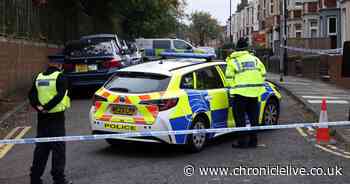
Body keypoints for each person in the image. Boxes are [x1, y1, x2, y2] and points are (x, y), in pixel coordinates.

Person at [28, 58, 72, 184]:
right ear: (59, 65)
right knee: (58, 150)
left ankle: (35, 179)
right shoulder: (61, 77)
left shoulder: (39, 77)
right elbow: (60, 95)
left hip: (42, 118)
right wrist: (47, 107)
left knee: (41, 149)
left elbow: (31, 94)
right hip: (56, 118)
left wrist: (39, 107)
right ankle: (59, 180)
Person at [225, 38, 266, 148]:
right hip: (254, 94)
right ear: (247, 48)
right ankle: (253, 142)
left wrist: (233, 89)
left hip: (239, 94)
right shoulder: (255, 59)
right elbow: (263, 73)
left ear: (236, 49)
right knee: (254, 119)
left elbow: (228, 79)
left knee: (240, 119)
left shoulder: (233, 61)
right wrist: (257, 85)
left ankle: (242, 142)